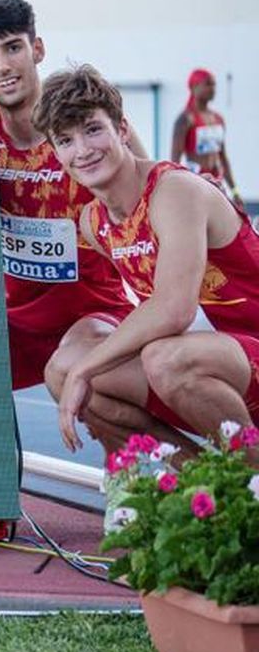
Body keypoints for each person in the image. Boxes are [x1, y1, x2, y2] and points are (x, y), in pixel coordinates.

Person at [31, 64, 259, 457]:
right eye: (65, 140)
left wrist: (87, 369)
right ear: (56, 152)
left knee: (162, 359)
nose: (82, 150)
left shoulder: (175, 191)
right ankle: (195, 477)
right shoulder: (93, 223)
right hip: (226, 365)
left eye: (92, 130)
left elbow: (173, 310)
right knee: (61, 369)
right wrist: (79, 368)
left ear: (122, 129)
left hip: (241, 353)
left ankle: (250, 476)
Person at [0, 0, 137, 391]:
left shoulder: (85, 126)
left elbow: (148, 191)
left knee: (79, 373)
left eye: (13, 48)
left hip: (94, 314)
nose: (2, 66)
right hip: (12, 321)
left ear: (37, 49)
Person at [170, 68, 241, 210]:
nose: (213, 88)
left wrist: (235, 191)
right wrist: (175, 192)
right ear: (194, 87)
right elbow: (174, 161)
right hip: (196, 182)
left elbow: (223, 158)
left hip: (217, 182)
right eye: (208, 84)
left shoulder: (218, 119)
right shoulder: (185, 119)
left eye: (214, 84)